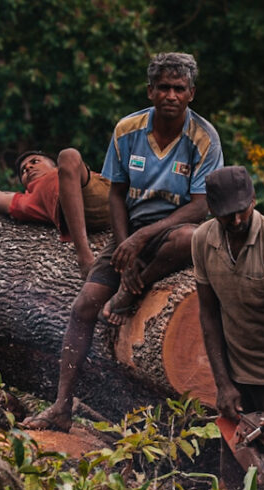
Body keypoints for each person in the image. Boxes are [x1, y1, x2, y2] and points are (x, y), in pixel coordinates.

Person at [28, 52, 221, 430]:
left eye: (178, 89)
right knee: (83, 307)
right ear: (150, 91)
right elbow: (116, 193)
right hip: (131, 230)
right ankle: (61, 406)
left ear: (191, 94)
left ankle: (135, 289)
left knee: (190, 237)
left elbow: (201, 207)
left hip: (173, 231)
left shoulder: (204, 138)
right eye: (163, 87)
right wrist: (123, 249)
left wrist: (144, 242)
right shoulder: (128, 129)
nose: (170, 95)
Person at [192, 164, 264, 476]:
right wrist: (223, 384)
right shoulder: (202, 241)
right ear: (212, 209)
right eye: (226, 214)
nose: (236, 220)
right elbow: (208, 314)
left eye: (242, 210)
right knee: (236, 479)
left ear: (254, 199)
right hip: (236, 379)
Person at [0, 149, 112, 278]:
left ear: (54, 166)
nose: (28, 168)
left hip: (99, 192)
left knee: (68, 155)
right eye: (23, 171)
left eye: (35, 162)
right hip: (78, 212)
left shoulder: (62, 169)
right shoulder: (30, 198)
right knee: (68, 155)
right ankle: (84, 256)